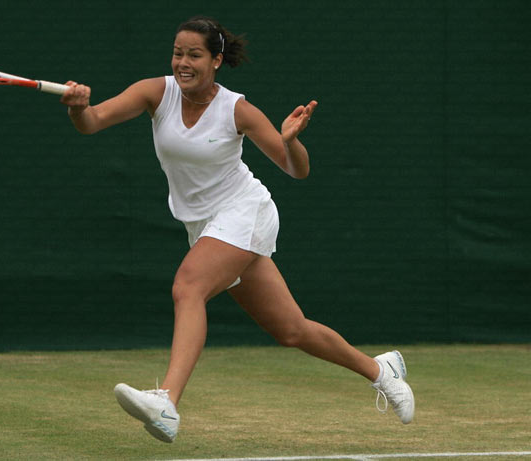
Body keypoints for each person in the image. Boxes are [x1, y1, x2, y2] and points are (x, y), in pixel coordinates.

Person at [60, 16, 414, 443]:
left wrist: (292, 141)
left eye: (194, 55)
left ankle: (167, 402)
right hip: (205, 224)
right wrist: (79, 108)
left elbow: (295, 169)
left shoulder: (237, 110)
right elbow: (93, 121)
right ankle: (382, 370)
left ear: (216, 61)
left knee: (187, 286)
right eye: (177, 53)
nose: (182, 63)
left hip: (244, 210)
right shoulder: (154, 93)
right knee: (291, 330)